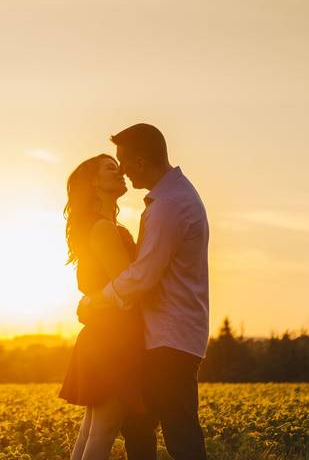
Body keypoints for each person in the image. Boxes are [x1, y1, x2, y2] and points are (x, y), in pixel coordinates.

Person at [79, 123, 210, 460]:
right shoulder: (170, 198)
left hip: (170, 338)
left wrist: (97, 300)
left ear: (140, 162)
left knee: (179, 432)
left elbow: (142, 276)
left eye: (122, 161)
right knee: (137, 428)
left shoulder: (169, 204)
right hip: (160, 336)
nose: (121, 170)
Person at [59, 154, 148, 460]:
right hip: (115, 340)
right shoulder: (105, 229)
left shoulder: (101, 227)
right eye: (111, 168)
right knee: (104, 429)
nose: (120, 171)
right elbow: (130, 288)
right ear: (94, 182)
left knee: (93, 429)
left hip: (102, 336)